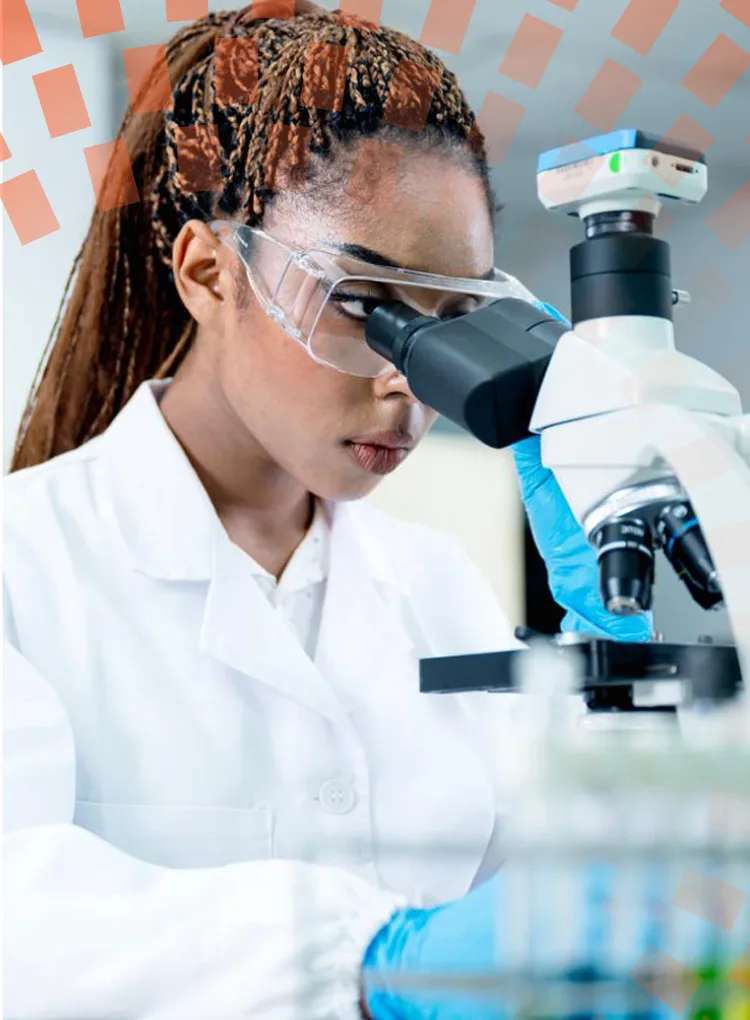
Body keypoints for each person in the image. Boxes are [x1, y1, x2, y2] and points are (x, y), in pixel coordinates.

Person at [3, 3, 650, 1017]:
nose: (413, 382)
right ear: (210, 273)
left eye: (450, 320)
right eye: (365, 306)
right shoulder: (24, 564)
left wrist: (614, 671)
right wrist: (370, 960)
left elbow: (568, 911)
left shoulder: (436, 587)